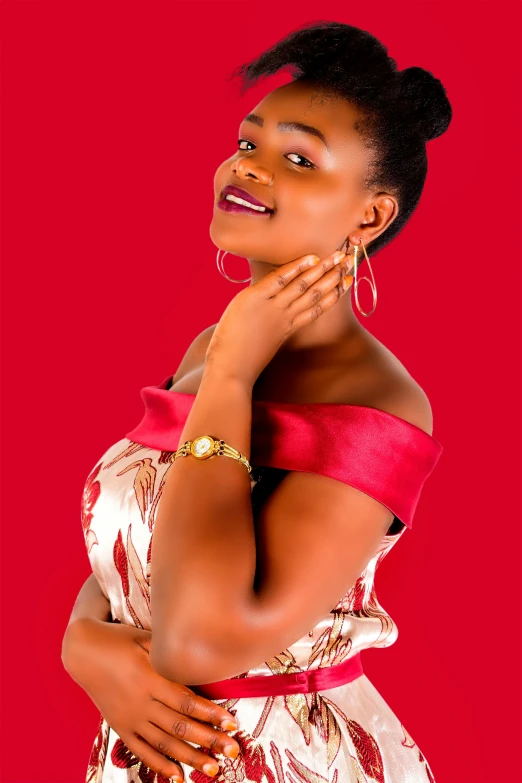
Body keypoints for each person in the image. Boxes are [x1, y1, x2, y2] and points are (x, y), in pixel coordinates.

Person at [61, 20, 451, 783]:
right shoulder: (211, 347)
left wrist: (236, 375)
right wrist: (83, 641)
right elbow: (140, 537)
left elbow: (199, 643)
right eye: (249, 144)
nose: (253, 169)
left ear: (370, 215)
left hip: (283, 763)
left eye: (299, 157)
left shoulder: (377, 405)